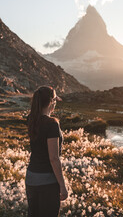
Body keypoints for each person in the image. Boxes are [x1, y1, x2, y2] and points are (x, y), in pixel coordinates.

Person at [25, 85, 68, 217]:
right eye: (55, 100)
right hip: (47, 181)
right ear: (51, 102)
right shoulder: (52, 124)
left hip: (31, 177)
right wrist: (62, 185)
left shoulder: (31, 119)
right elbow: (53, 158)